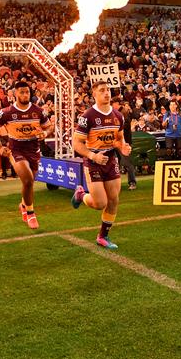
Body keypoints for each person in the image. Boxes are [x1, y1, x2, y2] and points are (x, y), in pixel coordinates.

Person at [70, 81, 132, 250]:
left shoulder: (118, 116)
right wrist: (92, 156)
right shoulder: (87, 116)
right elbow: (76, 143)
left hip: (111, 160)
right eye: (102, 91)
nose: (106, 93)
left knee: (113, 199)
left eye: (108, 90)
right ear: (94, 95)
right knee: (99, 203)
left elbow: (119, 139)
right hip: (93, 161)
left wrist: (123, 147)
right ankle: (80, 195)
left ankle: (103, 236)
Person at [0, 81, 53, 229]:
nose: (25, 95)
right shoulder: (7, 112)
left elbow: (49, 126)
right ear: (15, 93)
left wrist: (45, 133)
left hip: (34, 149)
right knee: (28, 179)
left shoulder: (38, 111)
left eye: (27, 92)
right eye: (22, 92)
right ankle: (30, 213)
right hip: (16, 149)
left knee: (29, 182)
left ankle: (23, 205)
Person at [112, 98, 137, 190]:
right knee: (114, 162)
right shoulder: (114, 112)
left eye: (113, 103)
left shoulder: (123, 112)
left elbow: (125, 126)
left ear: (117, 104)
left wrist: (115, 128)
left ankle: (132, 182)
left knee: (127, 162)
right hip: (116, 142)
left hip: (124, 142)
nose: (111, 105)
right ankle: (115, 183)